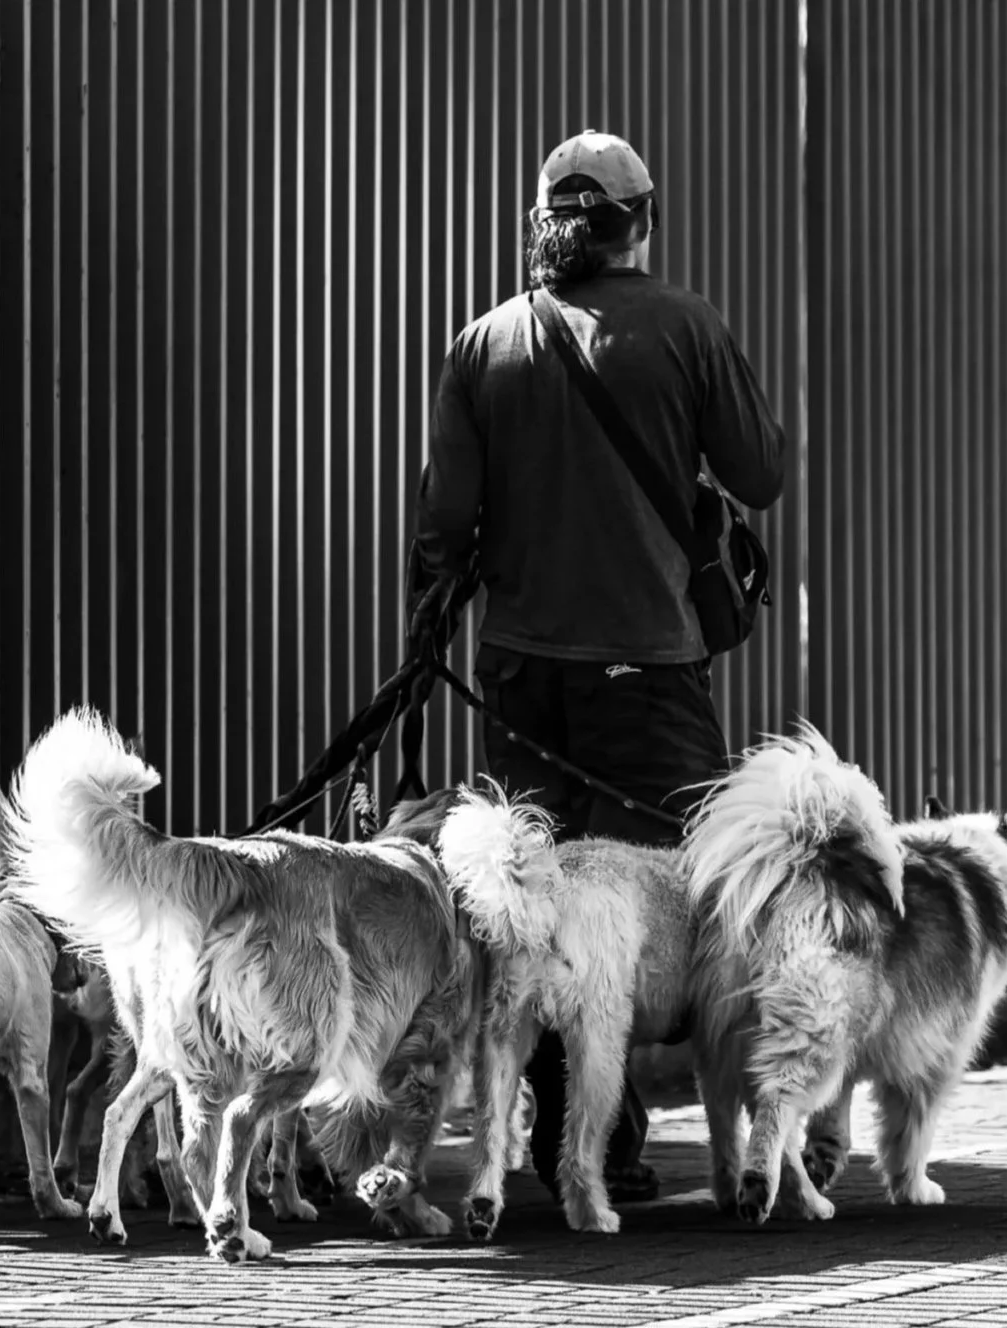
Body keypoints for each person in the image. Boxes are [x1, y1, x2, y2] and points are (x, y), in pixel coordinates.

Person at [406, 129, 788, 1205]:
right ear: (640, 219)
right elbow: (759, 472)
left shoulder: (483, 344)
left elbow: (443, 526)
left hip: (521, 678)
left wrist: (425, 640)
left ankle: (557, 1147)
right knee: (669, 915)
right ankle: (626, 1146)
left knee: (529, 908)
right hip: (650, 677)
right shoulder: (686, 326)